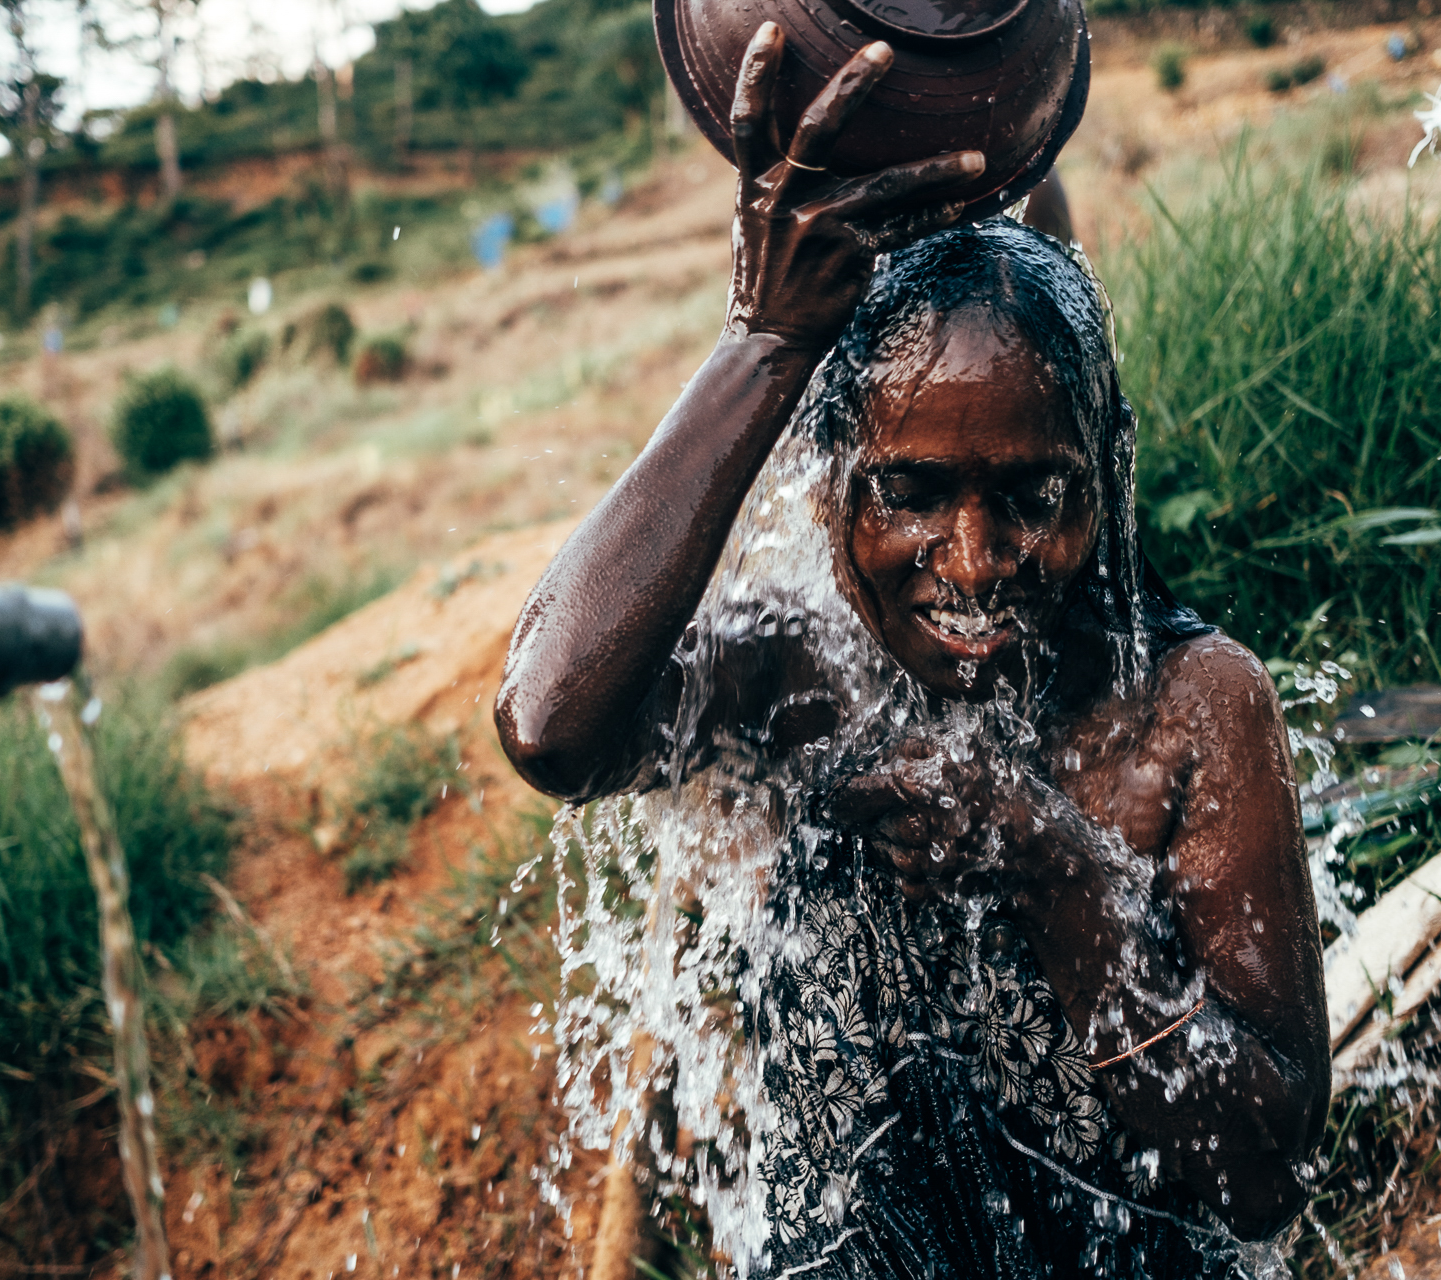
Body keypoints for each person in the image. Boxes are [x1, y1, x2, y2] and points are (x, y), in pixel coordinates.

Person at [494, 25, 1328, 1279]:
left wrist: (1057, 871)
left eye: (1036, 493)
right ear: (830, 493)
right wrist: (762, 344)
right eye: (913, 491)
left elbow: (1265, 1170)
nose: (978, 557)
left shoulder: (1190, 710)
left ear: (1104, 483)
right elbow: (551, 722)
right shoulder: (798, 672)